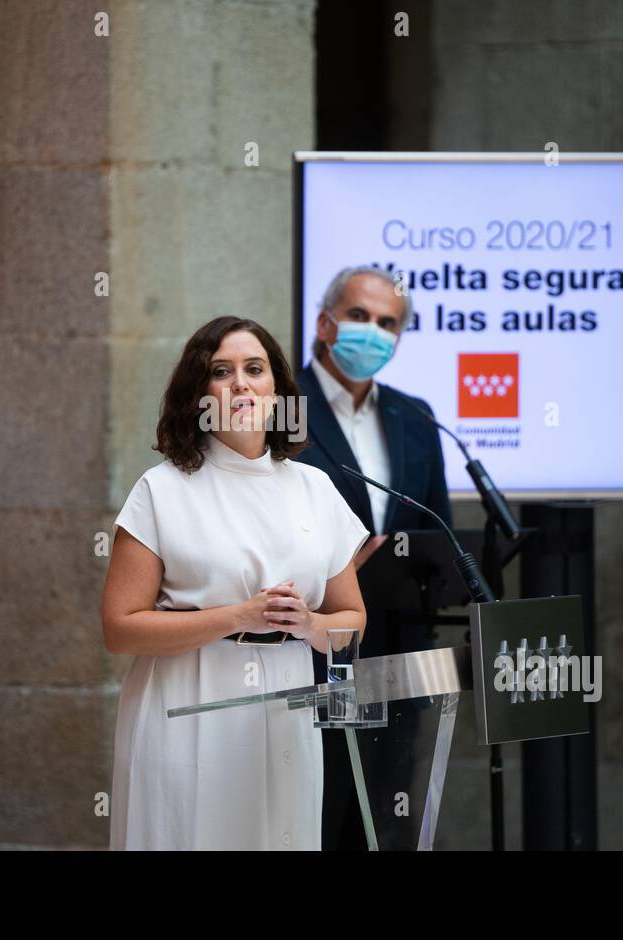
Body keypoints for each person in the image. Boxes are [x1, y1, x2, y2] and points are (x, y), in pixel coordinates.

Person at [103, 315, 371, 850]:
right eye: (221, 371)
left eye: (255, 369)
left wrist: (311, 624)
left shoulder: (314, 486)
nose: (241, 383)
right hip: (188, 697)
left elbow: (352, 620)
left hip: (287, 700)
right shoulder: (163, 489)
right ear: (199, 392)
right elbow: (120, 628)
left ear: (278, 390)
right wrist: (239, 617)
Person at [294, 265, 454, 850]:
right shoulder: (281, 407)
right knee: (320, 807)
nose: (373, 332)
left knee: (382, 821)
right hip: (314, 649)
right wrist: (341, 571)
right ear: (325, 322)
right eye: (359, 316)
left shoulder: (415, 415)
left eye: (388, 323)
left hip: (397, 650)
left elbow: (438, 530)